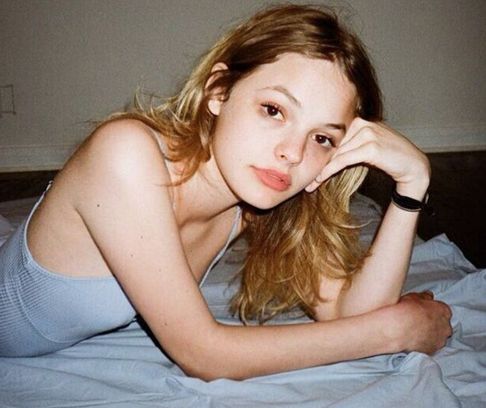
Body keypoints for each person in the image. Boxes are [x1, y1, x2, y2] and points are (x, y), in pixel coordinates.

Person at [0, 4, 451, 380]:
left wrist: (412, 184)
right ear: (219, 91)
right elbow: (203, 355)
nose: (291, 153)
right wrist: (394, 331)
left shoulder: (254, 201)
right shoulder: (126, 154)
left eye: (322, 138)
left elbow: (347, 312)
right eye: (273, 110)